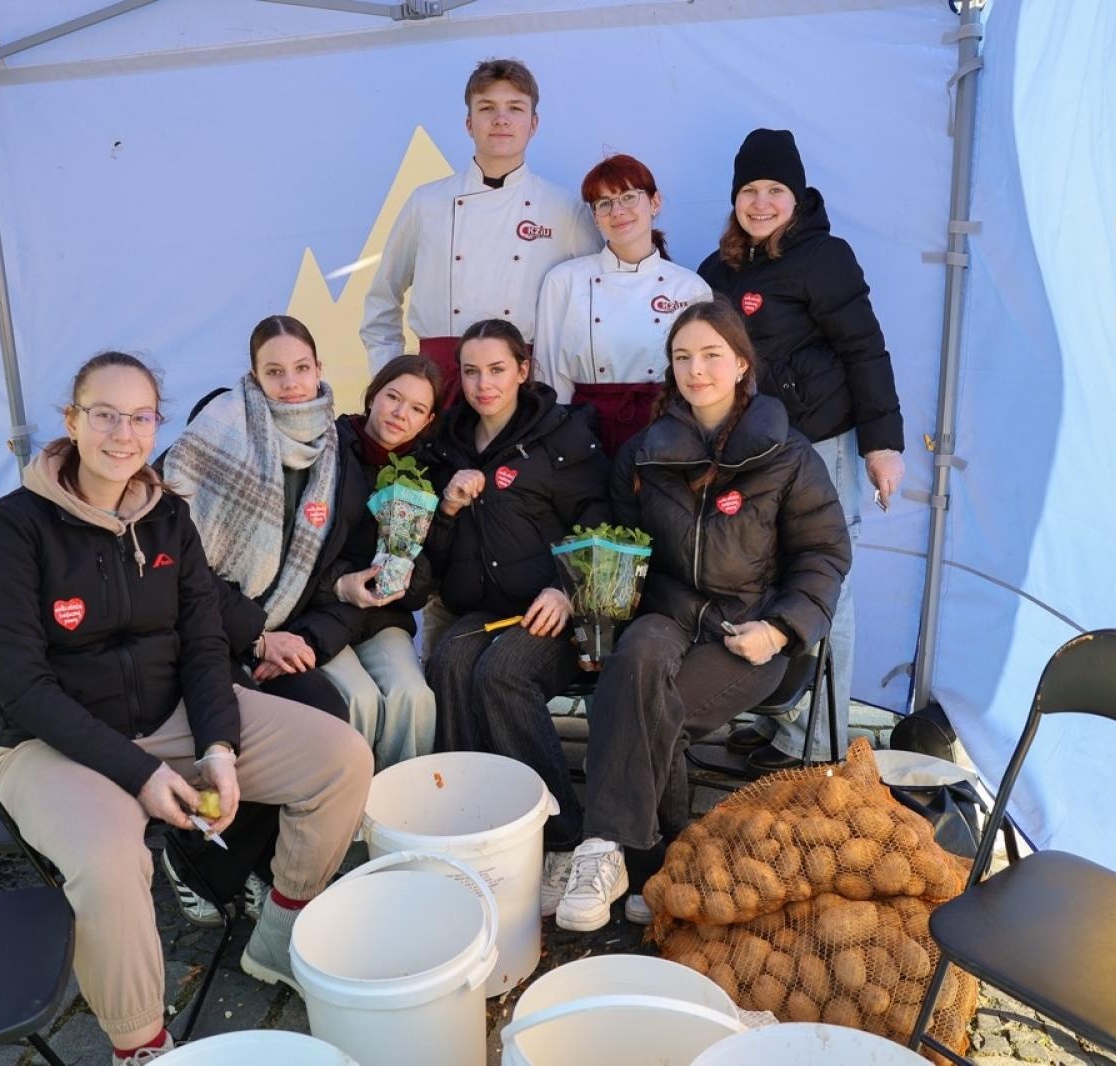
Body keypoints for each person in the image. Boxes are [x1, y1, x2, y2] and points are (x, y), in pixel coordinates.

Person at [0, 351, 373, 1062]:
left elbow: (204, 644)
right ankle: (141, 1045)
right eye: (105, 415)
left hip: (172, 719)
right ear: (71, 420)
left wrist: (218, 746)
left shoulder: (168, 518)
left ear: (157, 425)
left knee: (342, 758)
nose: (123, 434)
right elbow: (23, 688)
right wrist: (139, 775)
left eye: (140, 417)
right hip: (57, 746)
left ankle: (279, 937)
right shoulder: (12, 528)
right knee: (109, 862)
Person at [552, 299, 851, 932]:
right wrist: (601, 593)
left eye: (712, 354)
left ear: (742, 364)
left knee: (658, 711)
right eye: (682, 357)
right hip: (666, 611)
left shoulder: (790, 456)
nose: (697, 369)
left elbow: (824, 555)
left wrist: (781, 629)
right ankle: (624, 854)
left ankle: (641, 857)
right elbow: (623, 542)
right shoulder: (643, 453)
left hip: (750, 626)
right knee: (632, 665)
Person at [696, 128, 905, 771]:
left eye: (775, 190)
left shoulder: (825, 257)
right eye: (750, 191)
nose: (761, 203)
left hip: (823, 444)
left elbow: (864, 349)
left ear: (798, 194)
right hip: (753, 450)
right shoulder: (716, 270)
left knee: (825, 581)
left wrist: (883, 444)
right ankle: (785, 720)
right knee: (769, 585)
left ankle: (822, 743)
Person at [418, 318, 609, 913]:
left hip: (553, 610)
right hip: (484, 608)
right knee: (450, 661)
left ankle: (561, 838)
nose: (483, 384)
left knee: (501, 674)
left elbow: (603, 524)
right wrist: (446, 510)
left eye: (497, 369)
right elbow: (436, 556)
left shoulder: (564, 436)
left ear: (524, 370)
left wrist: (566, 590)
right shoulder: (445, 444)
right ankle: (475, 822)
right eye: (470, 371)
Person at [361, 57, 601, 407]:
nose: (501, 119)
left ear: (533, 124)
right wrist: (392, 378)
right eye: (487, 107)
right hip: (438, 383)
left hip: (526, 390)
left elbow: (594, 304)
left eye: (515, 108)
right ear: (469, 123)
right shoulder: (427, 202)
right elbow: (382, 298)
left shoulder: (564, 208)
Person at [161, 315, 353, 723]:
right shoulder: (216, 432)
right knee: (247, 723)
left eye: (302, 368)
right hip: (198, 625)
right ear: (254, 376)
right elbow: (174, 560)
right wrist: (257, 639)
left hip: (279, 625)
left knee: (328, 716)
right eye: (274, 372)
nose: (291, 384)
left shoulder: (334, 445)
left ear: (319, 369)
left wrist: (293, 637)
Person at [313, 355, 445, 771]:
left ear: (428, 420)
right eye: (393, 397)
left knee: (415, 697)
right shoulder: (326, 449)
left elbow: (424, 583)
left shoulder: (425, 473)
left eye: (417, 409)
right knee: (360, 701)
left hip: (380, 619)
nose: (400, 414)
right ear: (373, 395)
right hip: (318, 612)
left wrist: (405, 575)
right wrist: (339, 584)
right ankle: (348, 823)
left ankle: (399, 816)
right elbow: (294, 554)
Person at [534, 153, 712, 454]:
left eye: (629, 197)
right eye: (604, 204)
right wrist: (559, 443)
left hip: (667, 431)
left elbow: (703, 375)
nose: (617, 211)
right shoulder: (563, 281)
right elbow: (550, 376)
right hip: (583, 433)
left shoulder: (690, 288)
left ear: (654, 203)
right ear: (595, 217)